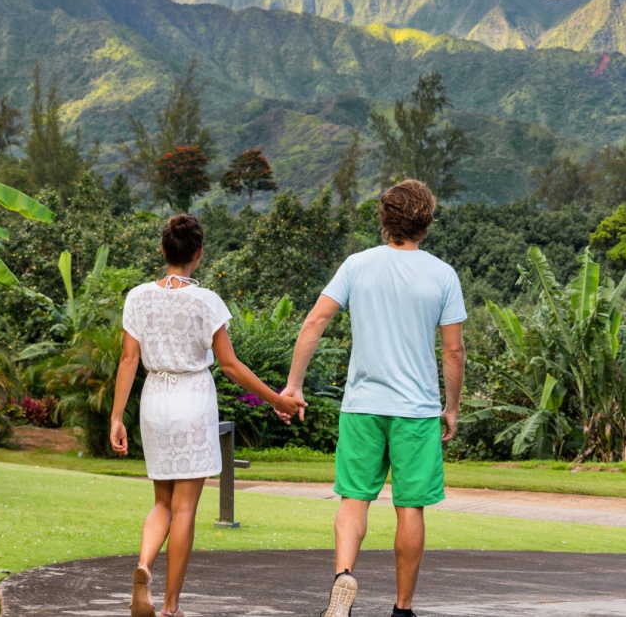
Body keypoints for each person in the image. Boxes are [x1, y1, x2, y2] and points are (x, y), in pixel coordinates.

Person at [282, 179, 467, 617]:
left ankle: (343, 575)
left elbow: (314, 322)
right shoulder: (442, 274)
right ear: (426, 221)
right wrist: (452, 407)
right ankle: (402, 609)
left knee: (353, 500)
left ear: (384, 220)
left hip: (362, 404)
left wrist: (294, 385)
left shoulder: (357, 265)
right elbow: (454, 350)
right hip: (416, 411)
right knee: (410, 508)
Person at [111, 213, 305, 617]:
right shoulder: (206, 301)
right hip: (192, 400)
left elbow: (129, 359)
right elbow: (231, 366)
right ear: (198, 254)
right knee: (185, 509)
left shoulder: (138, 297)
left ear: (164, 251)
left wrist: (116, 417)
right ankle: (169, 606)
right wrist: (275, 399)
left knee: (161, 502)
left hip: (154, 403)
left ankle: (145, 563)